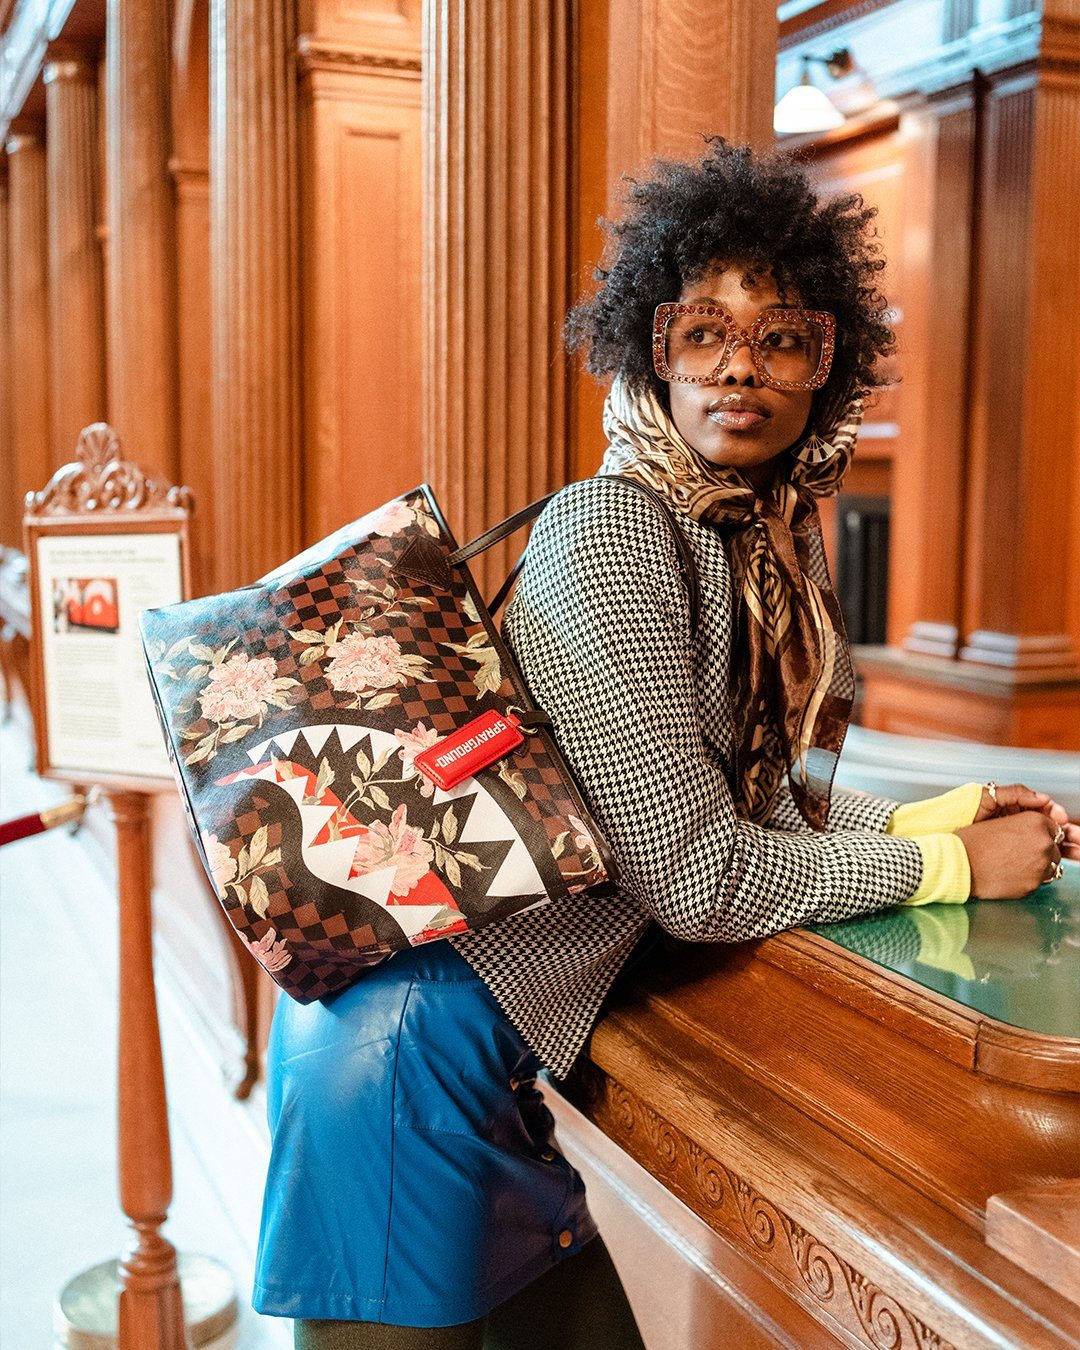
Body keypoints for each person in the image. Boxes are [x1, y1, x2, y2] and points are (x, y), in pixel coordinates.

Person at [253, 139, 1078, 1350]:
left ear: (828, 366)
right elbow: (698, 877)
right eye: (704, 333)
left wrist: (931, 814)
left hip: (489, 1063)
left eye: (782, 338)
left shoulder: (758, 538)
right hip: (407, 1055)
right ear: (653, 351)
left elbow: (744, 801)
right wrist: (948, 867)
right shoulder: (615, 532)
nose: (740, 367)